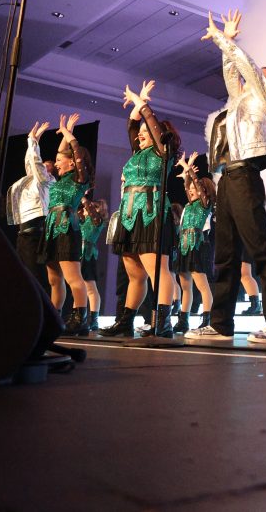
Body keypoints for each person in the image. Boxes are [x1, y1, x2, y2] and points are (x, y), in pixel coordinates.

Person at [187, 10, 266, 343]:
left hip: (246, 175)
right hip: (227, 179)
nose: (252, 78)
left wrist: (225, 40)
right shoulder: (239, 102)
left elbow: (247, 68)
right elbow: (233, 72)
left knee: (260, 248)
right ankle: (220, 324)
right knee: (225, 255)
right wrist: (226, 44)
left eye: (262, 75)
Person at [99, 81, 183, 338]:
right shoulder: (137, 154)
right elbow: (132, 126)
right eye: (140, 132)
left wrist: (143, 105)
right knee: (134, 273)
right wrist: (138, 105)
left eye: (146, 131)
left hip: (152, 212)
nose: (140, 134)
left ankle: (163, 324)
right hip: (129, 215)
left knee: (157, 269)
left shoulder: (162, 152)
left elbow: (152, 129)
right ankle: (125, 322)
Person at [38, 114, 95, 336]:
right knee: (54, 279)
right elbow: (63, 153)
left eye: (60, 160)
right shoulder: (61, 180)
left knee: (73, 277)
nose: (56, 162)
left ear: (72, 163)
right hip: (51, 228)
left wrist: (71, 137)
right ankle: (55, 317)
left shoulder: (80, 179)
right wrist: (65, 132)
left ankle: (80, 318)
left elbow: (76, 154)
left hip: (67, 229)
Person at [6, 122, 55, 293]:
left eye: (47, 167)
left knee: (34, 275)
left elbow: (36, 162)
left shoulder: (47, 181)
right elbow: (30, 162)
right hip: (24, 234)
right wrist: (34, 140)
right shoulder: (33, 180)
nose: (42, 166)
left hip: (34, 234)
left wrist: (32, 142)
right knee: (22, 275)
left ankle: (41, 304)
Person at [173, 152, 215, 334]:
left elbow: (197, 184)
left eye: (194, 188)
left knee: (202, 285)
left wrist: (189, 170)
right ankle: (183, 320)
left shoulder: (205, 205)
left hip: (197, 245)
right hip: (184, 246)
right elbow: (187, 186)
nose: (191, 190)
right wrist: (186, 173)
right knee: (185, 285)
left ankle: (207, 319)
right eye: (189, 189)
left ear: (204, 192)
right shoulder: (189, 205)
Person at [77, 194, 108, 331]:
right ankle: (78, 317)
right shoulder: (83, 221)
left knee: (90, 288)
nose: (86, 209)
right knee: (79, 287)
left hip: (88, 255)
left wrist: (85, 201)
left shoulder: (97, 221)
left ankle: (93, 320)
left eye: (90, 207)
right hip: (79, 255)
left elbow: (91, 213)